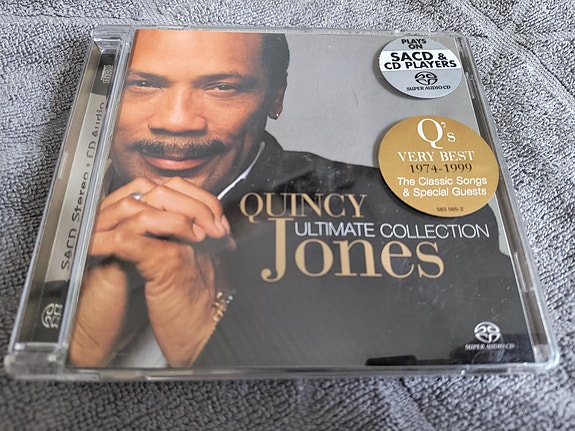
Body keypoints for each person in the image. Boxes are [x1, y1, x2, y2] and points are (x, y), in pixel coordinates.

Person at [69, 29, 532, 369]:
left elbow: (497, 368)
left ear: (276, 98)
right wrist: (79, 346)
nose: (176, 121)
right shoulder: (58, 217)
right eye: (144, 84)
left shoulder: (418, 215)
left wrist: (216, 341)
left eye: (222, 87)